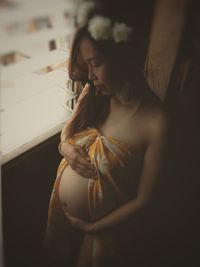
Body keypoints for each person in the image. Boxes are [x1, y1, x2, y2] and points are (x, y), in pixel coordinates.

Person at [44, 2, 169, 266]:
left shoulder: (156, 122)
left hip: (106, 232)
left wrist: (94, 228)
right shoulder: (96, 93)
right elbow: (69, 131)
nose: (90, 75)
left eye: (96, 63)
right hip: (61, 214)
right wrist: (65, 148)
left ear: (125, 56)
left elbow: (144, 199)